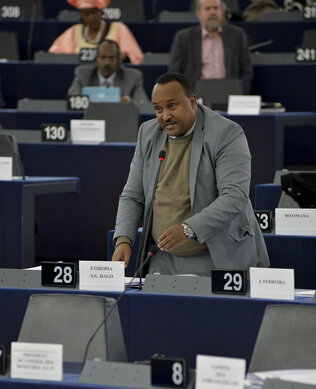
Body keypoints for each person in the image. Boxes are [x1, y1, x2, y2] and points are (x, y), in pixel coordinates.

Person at [112, 72, 269, 276]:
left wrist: (189, 229)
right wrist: (124, 239)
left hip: (214, 254)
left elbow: (234, 196)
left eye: (172, 106)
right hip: (162, 256)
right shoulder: (148, 134)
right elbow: (133, 195)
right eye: (158, 109)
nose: (165, 116)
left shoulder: (226, 133)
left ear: (192, 101)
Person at [169, 0, 253, 93]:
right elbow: (175, 73)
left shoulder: (237, 34)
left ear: (222, 12)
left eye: (216, 8)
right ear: (198, 13)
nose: (213, 12)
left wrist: (241, 94)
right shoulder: (183, 38)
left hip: (230, 93)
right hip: (196, 96)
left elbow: (246, 70)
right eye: (208, 9)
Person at [49, 0, 143, 65]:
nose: (91, 17)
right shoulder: (74, 31)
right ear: (81, 16)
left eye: (94, 13)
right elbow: (54, 56)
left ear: (101, 12)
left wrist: (123, 57)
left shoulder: (118, 28)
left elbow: (136, 57)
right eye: (86, 14)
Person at [68, 39, 148, 102]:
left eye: (111, 58)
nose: (107, 63)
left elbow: (142, 102)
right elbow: (73, 99)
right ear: (96, 59)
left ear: (118, 59)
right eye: (103, 58)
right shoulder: (83, 74)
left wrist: (128, 102)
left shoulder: (133, 76)